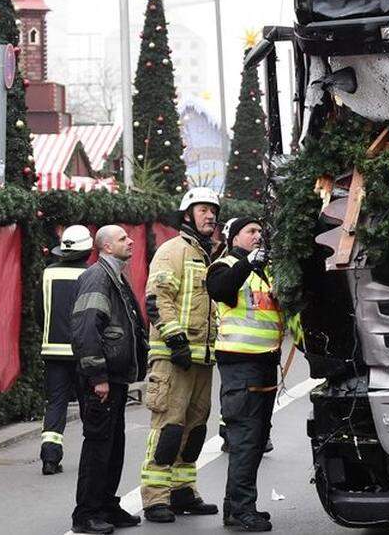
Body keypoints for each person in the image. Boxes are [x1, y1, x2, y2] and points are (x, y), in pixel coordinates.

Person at [206, 217, 302, 532]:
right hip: (240, 366)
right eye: (251, 231)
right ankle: (240, 510)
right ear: (235, 237)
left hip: (263, 365)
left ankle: (238, 507)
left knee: (257, 439)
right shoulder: (224, 266)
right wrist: (248, 262)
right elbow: (220, 290)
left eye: (262, 231)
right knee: (246, 440)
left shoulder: (263, 272)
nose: (259, 235)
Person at [139, 187, 222, 523]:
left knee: (196, 428)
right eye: (203, 209)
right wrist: (177, 342)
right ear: (187, 214)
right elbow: (157, 298)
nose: (210, 216)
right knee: (168, 427)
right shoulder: (172, 250)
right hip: (174, 356)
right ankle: (155, 497)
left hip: (203, 357)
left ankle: (183, 490)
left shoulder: (209, 254)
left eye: (213, 210)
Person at [69, 225, 147, 534]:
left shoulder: (115, 276)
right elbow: (86, 330)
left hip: (115, 378)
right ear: (106, 248)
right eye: (122, 239)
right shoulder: (97, 277)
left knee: (114, 445)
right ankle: (86, 513)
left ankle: (106, 505)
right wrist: (97, 376)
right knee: (99, 446)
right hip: (102, 380)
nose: (130, 242)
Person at [37, 225, 93, 476]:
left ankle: (50, 457)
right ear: (88, 250)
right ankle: (93, 458)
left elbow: (39, 312)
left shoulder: (47, 274)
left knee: (56, 403)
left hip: (53, 351)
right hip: (84, 352)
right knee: (88, 405)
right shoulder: (92, 275)